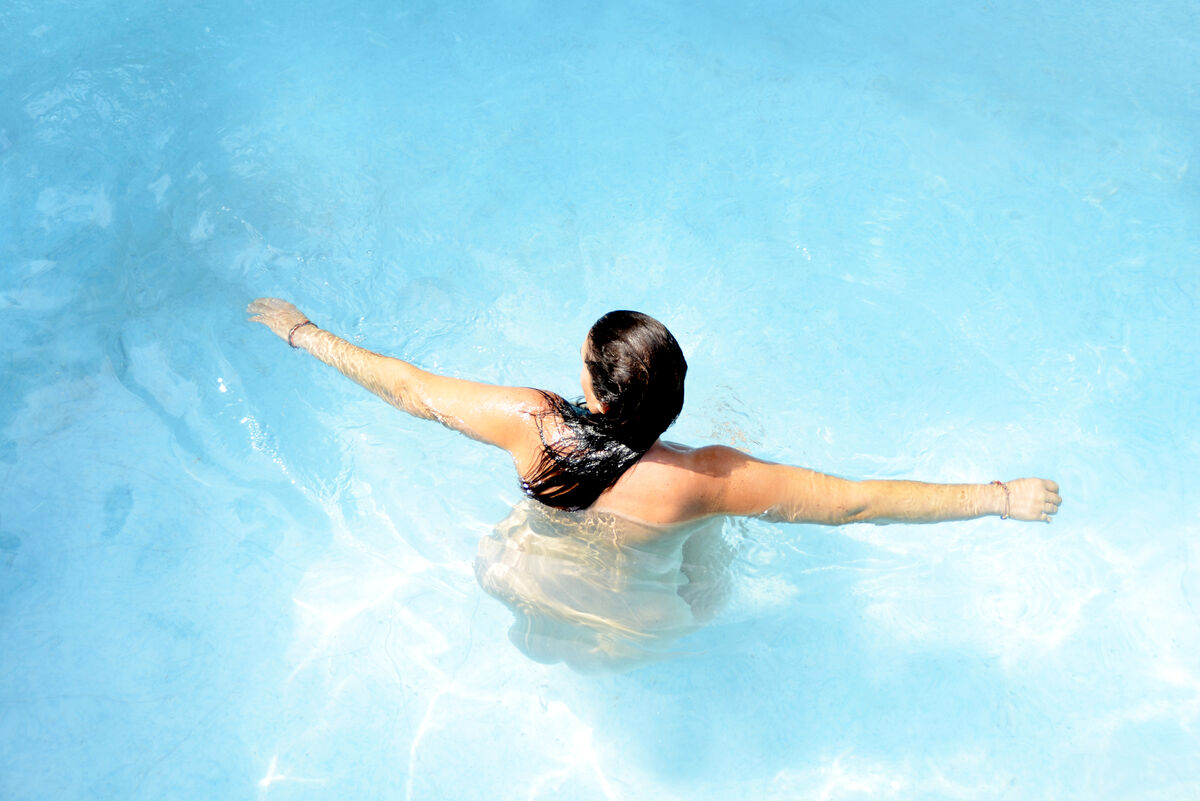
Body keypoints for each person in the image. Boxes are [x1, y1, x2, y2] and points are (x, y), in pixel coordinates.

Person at [246, 297, 1062, 529]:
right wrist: (995, 496)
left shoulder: (532, 424)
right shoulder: (702, 480)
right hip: (642, 622)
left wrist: (305, 334)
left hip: (525, 588)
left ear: (594, 393)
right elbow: (852, 500)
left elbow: (409, 388)